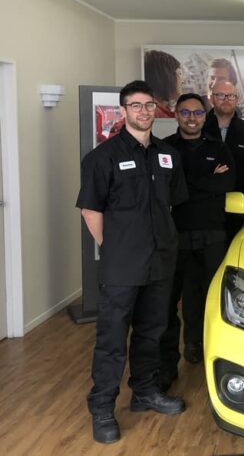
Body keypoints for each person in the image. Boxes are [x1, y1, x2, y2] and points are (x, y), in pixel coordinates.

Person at [76, 80, 188, 444]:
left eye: (149, 105)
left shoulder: (167, 154)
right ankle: (102, 408)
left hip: (160, 263)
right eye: (136, 105)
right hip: (121, 266)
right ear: (123, 111)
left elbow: (172, 203)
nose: (143, 111)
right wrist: (114, 247)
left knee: (152, 331)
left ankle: (145, 391)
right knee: (111, 339)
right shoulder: (102, 157)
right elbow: (90, 210)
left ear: (156, 109)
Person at [158, 93, 236, 391]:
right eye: (185, 112)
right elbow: (165, 191)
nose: (192, 118)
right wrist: (207, 181)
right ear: (176, 114)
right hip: (175, 233)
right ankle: (178, 355)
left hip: (213, 232)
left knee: (213, 294)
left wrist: (187, 183)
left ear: (206, 116)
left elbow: (227, 183)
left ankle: (209, 345)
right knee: (174, 298)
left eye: (198, 113)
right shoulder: (164, 148)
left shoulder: (219, 147)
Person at [203, 80, 244, 239]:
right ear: (211, 98)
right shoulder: (199, 129)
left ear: (237, 100)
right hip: (204, 212)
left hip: (241, 212)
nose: (226, 99)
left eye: (231, 96)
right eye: (220, 95)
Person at [144, 50, 182, 117]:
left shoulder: (163, 109)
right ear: (166, 76)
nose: (182, 81)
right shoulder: (155, 112)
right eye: (179, 74)